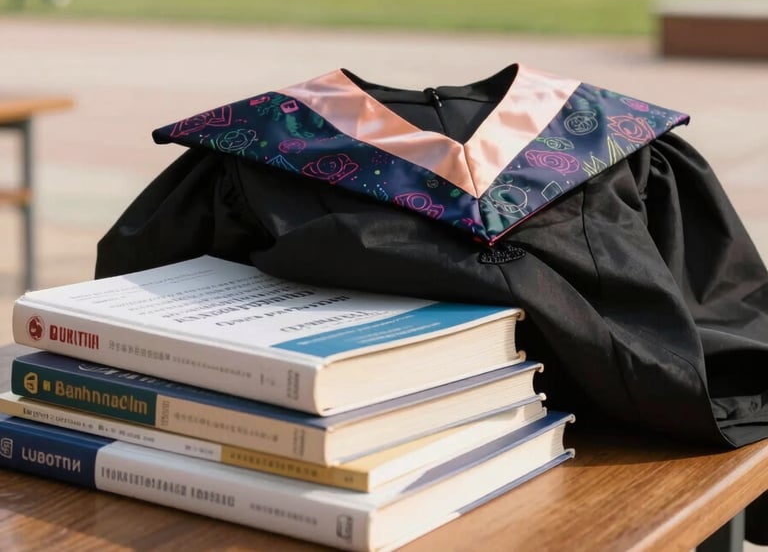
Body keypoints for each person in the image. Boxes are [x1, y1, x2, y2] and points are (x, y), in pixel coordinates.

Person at [95, 63, 768, 541]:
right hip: (623, 465)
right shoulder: (614, 142)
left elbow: (124, 342)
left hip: (335, 487)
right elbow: (732, 333)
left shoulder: (260, 150)